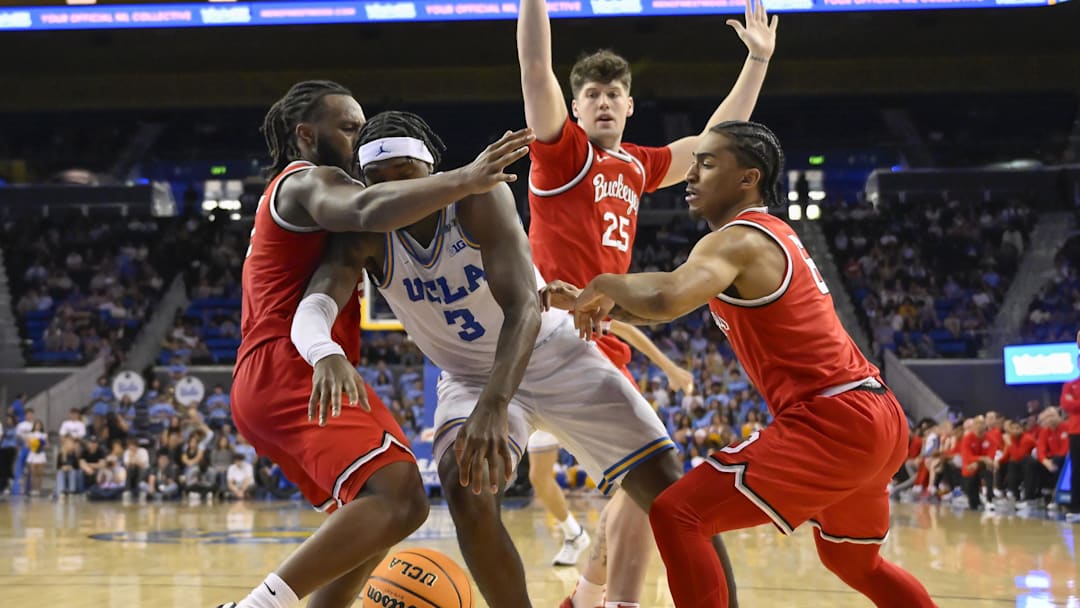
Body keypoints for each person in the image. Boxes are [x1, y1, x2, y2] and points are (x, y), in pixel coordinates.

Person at [293, 111, 685, 608]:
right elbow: (316, 303)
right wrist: (324, 350)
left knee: (672, 495)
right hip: (467, 376)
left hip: (550, 350)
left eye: (405, 177)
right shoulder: (365, 228)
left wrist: (495, 403)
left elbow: (523, 307)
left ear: (432, 170)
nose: (394, 192)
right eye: (380, 182)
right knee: (464, 487)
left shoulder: (478, 197)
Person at [562, 121, 936, 608]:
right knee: (854, 562)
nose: (691, 175)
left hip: (833, 419)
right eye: (693, 163)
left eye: (708, 163)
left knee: (678, 513)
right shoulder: (768, 234)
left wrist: (604, 282)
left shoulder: (737, 239)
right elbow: (655, 306)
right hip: (875, 414)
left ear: (749, 178)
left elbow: (666, 296)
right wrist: (591, 304)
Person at [216, 80, 533, 608]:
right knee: (401, 497)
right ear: (307, 134)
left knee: (374, 518)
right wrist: (467, 177)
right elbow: (369, 210)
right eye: (350, 127)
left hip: (280, 370)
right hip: (292, 363)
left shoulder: (324, 193)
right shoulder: (306, 181)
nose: (362, 135)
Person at [516, 0, 775, 603]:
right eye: (592, 94)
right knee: (652, 480)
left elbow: (718, 140)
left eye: (614, 94)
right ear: (575, 106)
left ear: (630, 106)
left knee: (640, 489)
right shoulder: (561, 154)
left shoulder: (637, 164)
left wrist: (756, 61)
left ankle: (583, 599)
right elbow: (534, 64)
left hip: (595, 340)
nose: (603, 102)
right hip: (544, 336)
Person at [526, 319, 694, 568]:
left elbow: (626, 329)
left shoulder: (571, 307)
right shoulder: (531, 317)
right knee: (538, 477)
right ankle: (574, 535)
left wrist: (670, 368)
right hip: (553, 395)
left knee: (631, 488)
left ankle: (671, 546)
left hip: (598, 393)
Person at [1061, 331, 1080, 522]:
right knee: (1077, 470)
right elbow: (1066, 405)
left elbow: (1073, 404)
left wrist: (1076, 402)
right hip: (1076, 432)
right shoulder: (1070, 385)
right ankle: (1076, 509)